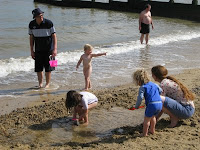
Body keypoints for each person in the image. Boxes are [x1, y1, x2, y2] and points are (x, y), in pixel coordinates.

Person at [29, 8, 57, 88]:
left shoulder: (49, 23)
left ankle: (47, 84)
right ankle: (40, 84)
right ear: (35, 17)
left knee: (49, 68)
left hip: (49, 50)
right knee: (38, 68)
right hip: (38, 50)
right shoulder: (31, 24)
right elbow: (31, 38)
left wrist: (55, 49)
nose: (41, 17)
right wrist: (32, 50)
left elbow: (54, 36)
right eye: (39, 16)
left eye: (42, 15)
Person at [132, 69, 162, 136]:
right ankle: (152, 130)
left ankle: (144, 134)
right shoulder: (154, 84)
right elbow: (161, 90)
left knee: (146, 120)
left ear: (138, 80)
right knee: (153, 117)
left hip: (151, 104)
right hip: (159, 103)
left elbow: (140, 97)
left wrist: (136, 106)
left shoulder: (143, 87)